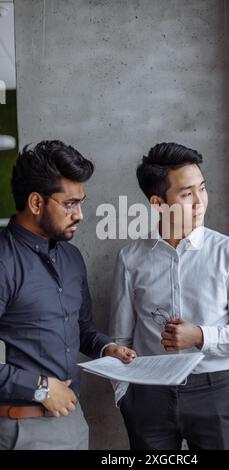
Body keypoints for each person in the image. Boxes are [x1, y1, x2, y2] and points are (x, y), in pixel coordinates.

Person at [109, 142, 229, 450]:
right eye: (186, 194)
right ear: (158, 202)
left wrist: (200, 336)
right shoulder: (131, 259)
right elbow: (120, 338)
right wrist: (123, 394)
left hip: (214, 392)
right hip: (148, 396)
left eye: (202, 189)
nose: (200, 202)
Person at [0, 140, 135, 450]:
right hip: (23, 428)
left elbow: (83, 329)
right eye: (70, 204)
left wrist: (107, 348)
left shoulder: (72, 258)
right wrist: (41, 388)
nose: (80, 215)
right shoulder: (4, 262)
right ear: (36, 203)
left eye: (82, 203)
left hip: (74, 420)